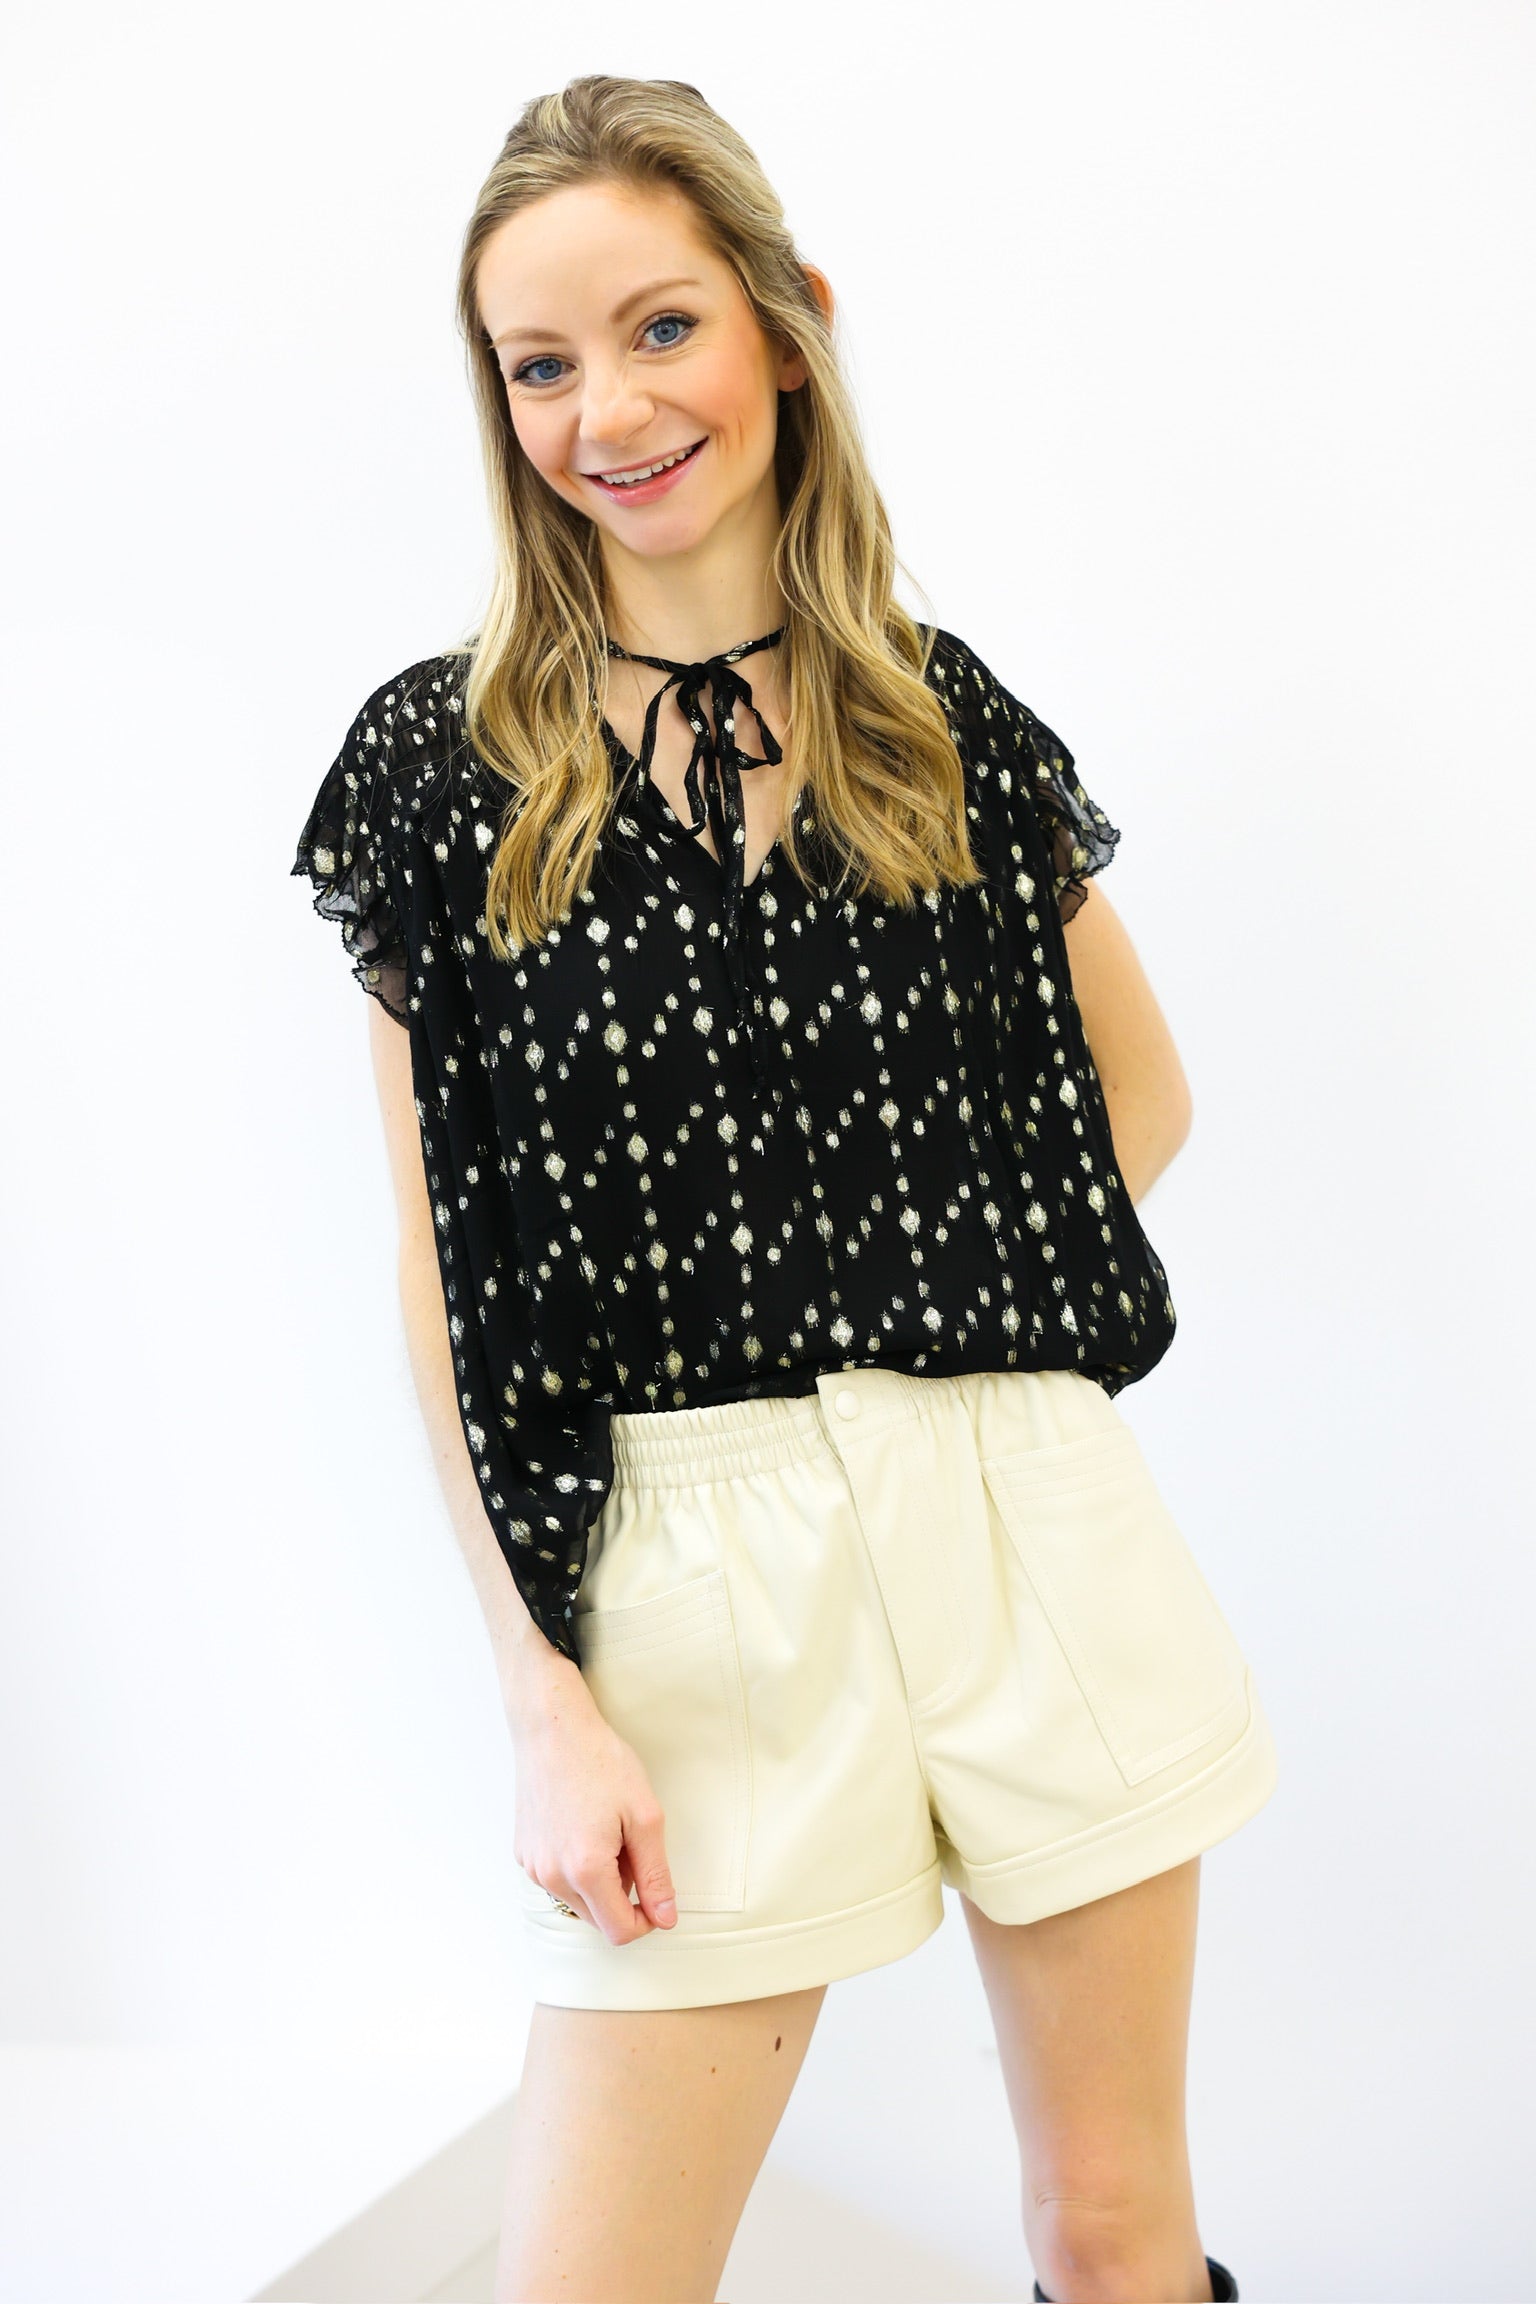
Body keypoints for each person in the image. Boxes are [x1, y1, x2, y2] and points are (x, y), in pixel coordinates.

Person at [292, 73, 1276, 2304]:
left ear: (786, 323)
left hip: (1023, 1512)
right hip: (683, 1582)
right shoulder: (437, 781)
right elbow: (448, 1291)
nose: (606, 409)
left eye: (657, 328)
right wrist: (547, 1688)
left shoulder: (938, 723)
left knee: (1119, 2239)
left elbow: (1148, 1099)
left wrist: (918, 1292)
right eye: (538, 364)